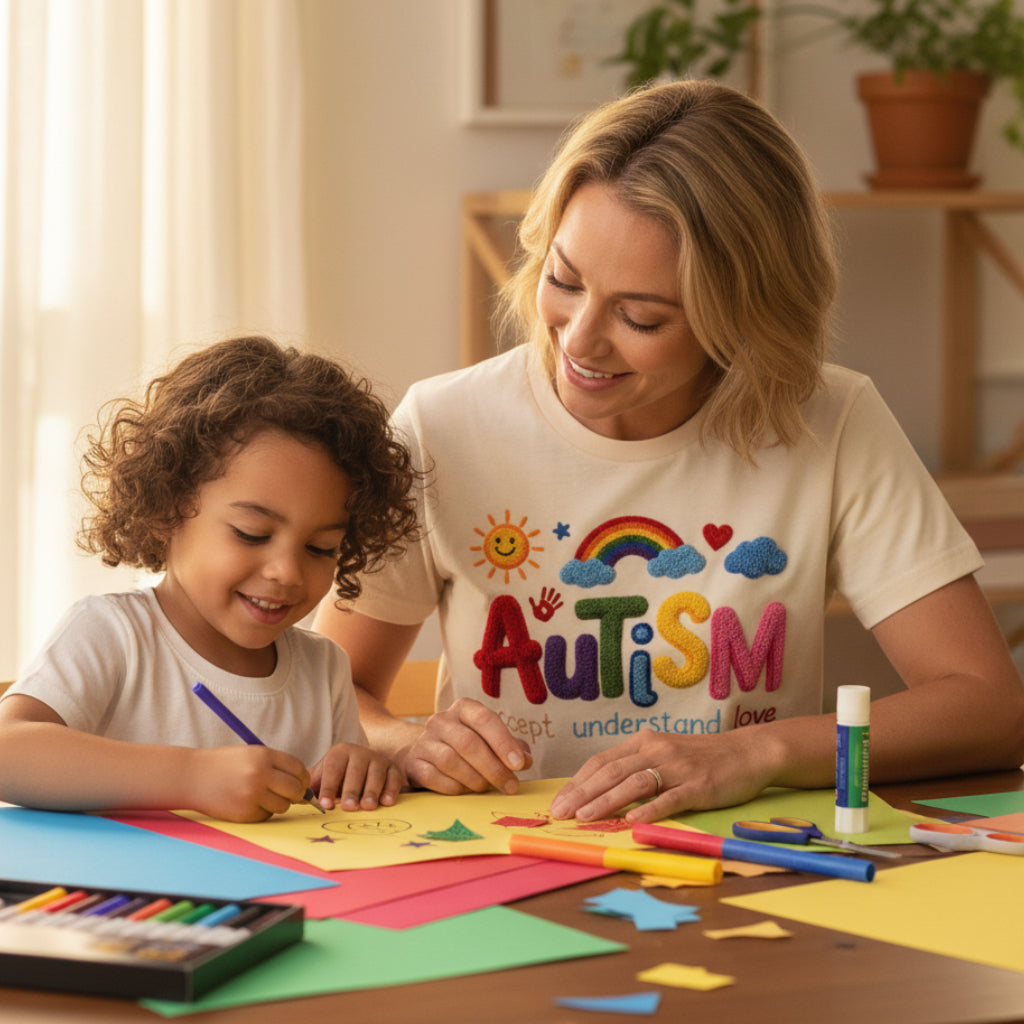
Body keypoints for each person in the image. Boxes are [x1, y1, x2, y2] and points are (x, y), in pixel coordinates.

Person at [315, 79, 1024, 826]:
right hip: (512, 854)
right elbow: (331, 688)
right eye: (564, 280)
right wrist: (408, 738)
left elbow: (989, 707)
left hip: (752, 862)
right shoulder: (440, 425)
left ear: (744, 318)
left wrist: (759, 754)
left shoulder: (832, 421)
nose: (579, 340)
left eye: (641, 317)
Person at [0, 335, 419, 822]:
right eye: (251, 533)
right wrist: (190, 777)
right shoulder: (112, 635)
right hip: (142, 896)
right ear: (166, 508)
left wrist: (363, 769)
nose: (286, 571)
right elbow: (8, 751)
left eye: (320, 548)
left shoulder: (323, 670)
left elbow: (333, 804)